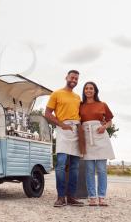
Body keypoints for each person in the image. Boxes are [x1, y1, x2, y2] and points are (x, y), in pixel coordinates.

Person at [45, 70, 85, 207]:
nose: (74, 79)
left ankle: (72, 197)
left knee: (74, 166)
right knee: (61, 164)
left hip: (75, 129)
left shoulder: (77, 97)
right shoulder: (56, 93)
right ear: (66, 77)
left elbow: (81, 115)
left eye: (76, 78)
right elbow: (47, 113)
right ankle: (60, 197)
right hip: (63, 129)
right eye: (72, 77)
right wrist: (61, 124)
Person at [80, 82, 115, 206]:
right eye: (86, 88)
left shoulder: (102, 104)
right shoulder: (80, 106)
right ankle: (92, 197)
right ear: (84, 91)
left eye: (91, 88)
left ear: (95, 91)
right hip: (87, 137)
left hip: (100, 137)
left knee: (101, 169)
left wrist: (104, 127)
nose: (89, 90)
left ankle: (102, 197)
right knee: (89, 170)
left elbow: (110, 121)